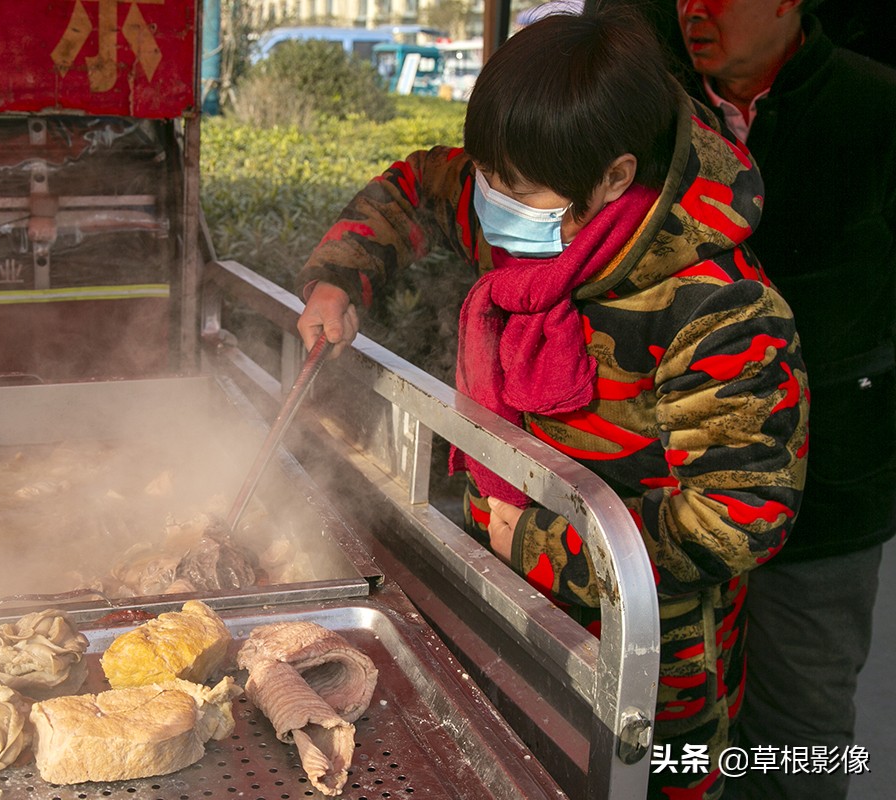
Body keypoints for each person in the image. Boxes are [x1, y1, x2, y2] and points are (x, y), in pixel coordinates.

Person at [294, 8, 809, 800]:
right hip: (508, 606)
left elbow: (738, 520)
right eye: (489, 174)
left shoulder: (718, 312)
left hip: (648, 672)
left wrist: (535, 542)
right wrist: (340, 274)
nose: (490, 199)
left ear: (613, 176)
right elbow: (417, 188)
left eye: (514, 186)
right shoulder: (534, 211)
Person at [674, 1, 896, 798]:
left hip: (827, 504)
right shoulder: (660, 110)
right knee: (680, 738)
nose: (694, 9)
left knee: (800, 732)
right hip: (682, 498)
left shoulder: (875, 111)